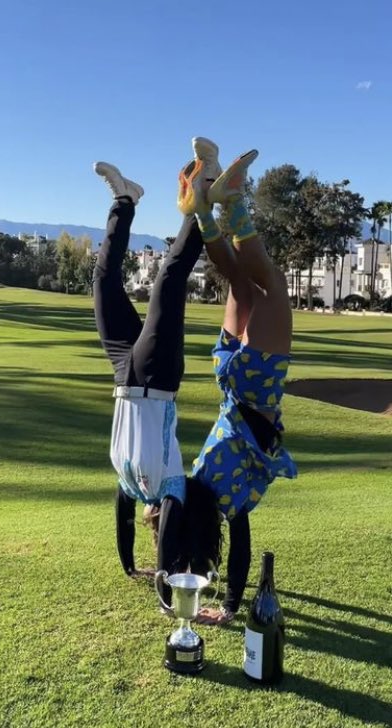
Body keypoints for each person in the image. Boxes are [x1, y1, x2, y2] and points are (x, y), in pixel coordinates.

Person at [176, 138, 297, 624]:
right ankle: (201, 208)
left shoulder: (229, 500)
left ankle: (233, 198)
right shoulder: (197, 476)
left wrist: (227, 607)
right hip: (226, 372)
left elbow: (241, 547)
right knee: (242, 287)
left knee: (273, 286)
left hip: (258, 383)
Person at [92, 160, 206, 600]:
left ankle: (125, 200)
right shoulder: (172, 485)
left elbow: (122, 521)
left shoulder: (128, 482)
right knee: (168, 281)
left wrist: (128, 566)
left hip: (123, 371)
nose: (152, 520)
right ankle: (197, 210)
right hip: (158, 374)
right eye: (157, 527)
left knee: (102, 284)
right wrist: (164, 595)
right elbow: (167, 553)